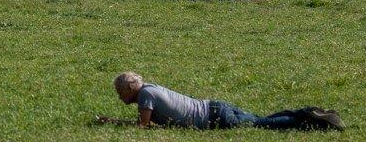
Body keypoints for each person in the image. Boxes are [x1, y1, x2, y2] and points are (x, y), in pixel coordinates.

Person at [106, 72, 343, 130]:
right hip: (214, 107)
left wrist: (112, 122)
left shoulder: (145, 96)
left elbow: (143, 126)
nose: (120, 97)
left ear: (130, 88)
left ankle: (311, 121)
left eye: (120, 93)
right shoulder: (151, 88)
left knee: (261, 124)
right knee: (259, 119)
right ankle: (306, 112)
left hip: (213, 117)